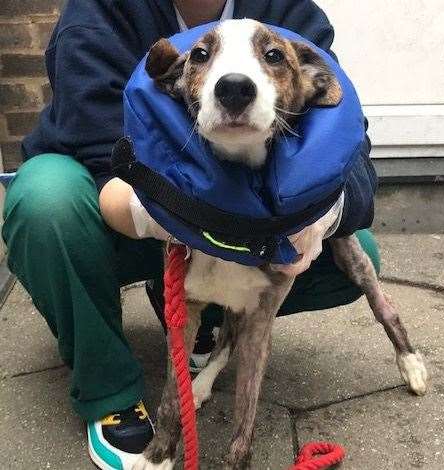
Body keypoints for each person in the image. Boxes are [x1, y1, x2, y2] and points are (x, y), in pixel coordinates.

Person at [2, 1, 379, 468]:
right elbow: (95, 142)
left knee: (357, 253)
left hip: (247, 227)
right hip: (115, 218)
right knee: (44, 200)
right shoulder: (98, 12)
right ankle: (109, 390)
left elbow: (348, 142)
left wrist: (320, 215)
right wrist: (161, 211)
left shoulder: (290, 11)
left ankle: (199, 317)